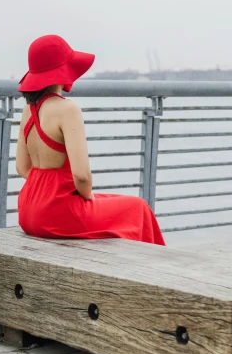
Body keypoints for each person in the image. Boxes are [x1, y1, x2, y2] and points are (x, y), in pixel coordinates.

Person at [16, 35, 165, 246]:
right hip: (58, 215)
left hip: (27, 211)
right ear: (62, 71)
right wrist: (86, 196)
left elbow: (22, 167)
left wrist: (47, 190)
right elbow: (82, 177)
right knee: (138, 208)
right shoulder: (68, 109)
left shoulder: (27, 110)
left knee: (114, 202)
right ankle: (153, 273)